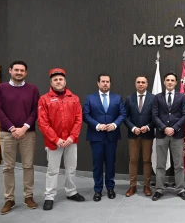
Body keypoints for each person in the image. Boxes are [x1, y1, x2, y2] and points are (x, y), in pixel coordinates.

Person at [0, 61, 39, 215]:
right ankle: (9, 199)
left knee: (28, 166)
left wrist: (24, 127)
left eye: (22, 70)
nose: (19, 72)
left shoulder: (33, 89)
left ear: (26, 73)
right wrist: (13, 128)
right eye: (16, 70)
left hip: (28, 133)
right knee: (8, 167)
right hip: (7, 133)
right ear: (10, 70)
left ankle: (28, 197)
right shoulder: (0, 88)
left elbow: (35, 111)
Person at [38, 68, 85, 211]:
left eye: (61, 79)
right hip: (54, 142)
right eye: (55, 80)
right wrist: (56, 139)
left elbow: (78, 119)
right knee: (52, 170)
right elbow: (43, 123)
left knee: (71, 168)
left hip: (71, 141)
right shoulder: (44, 99)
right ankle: (49, 196)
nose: (58, 82)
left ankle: (71, 192)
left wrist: (72, 136)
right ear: (51, 82)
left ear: (65, 81)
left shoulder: (74, 98)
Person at [83, 73, 126, 202]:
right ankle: (97, 190)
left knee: (110, 164)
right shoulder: (90, 98)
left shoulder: (117, 98)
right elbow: (85, 115)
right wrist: (97, 125)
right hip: (96, 136)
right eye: (103, 81)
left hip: (112, 136)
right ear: (98, 83)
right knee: (97, 164)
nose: (105, 84)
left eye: (107, 81)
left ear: (110, 83)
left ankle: (110, 188)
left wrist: (114, 124)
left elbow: (122, 114)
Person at [151, 72, 185, 201]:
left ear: (176, 82)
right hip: (161, 134)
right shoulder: (157, 97)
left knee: (179, 165)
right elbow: (154, 115)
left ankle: (181, 189)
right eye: (168, 80)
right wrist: (164, 128)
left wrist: (174, 128)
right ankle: (159, 189)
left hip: (177, 134)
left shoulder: (182, 97)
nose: (170, 82)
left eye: (172, 80)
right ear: (164, 81)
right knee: (160, 165)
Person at [124, 76, 155, 197]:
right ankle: (132, 186)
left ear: (147, 84)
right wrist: (133, 127)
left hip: (148, 134)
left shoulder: (153, 98)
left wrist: (148, 127)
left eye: (143, 82)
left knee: (147, 161)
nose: (141, 84)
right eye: (138, 82)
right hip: (133, 134)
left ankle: (147, 185)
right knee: (133, 160)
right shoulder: (129, 98)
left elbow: (156, 117)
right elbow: (125, 116)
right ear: (135, 84)